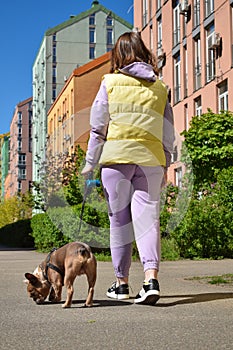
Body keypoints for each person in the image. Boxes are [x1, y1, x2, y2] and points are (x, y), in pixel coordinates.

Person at [81, 31, 175, 305]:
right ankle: (151, 280)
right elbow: (167, 132)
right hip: (151, 161)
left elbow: (98, 129)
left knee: (120, 223)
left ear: (118, 56)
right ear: (143, 52)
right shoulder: (161, 87)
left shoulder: (109, 82)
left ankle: (121, 284)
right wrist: (165, 162)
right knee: (148, 222)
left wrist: (89, 164)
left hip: (116, 160)